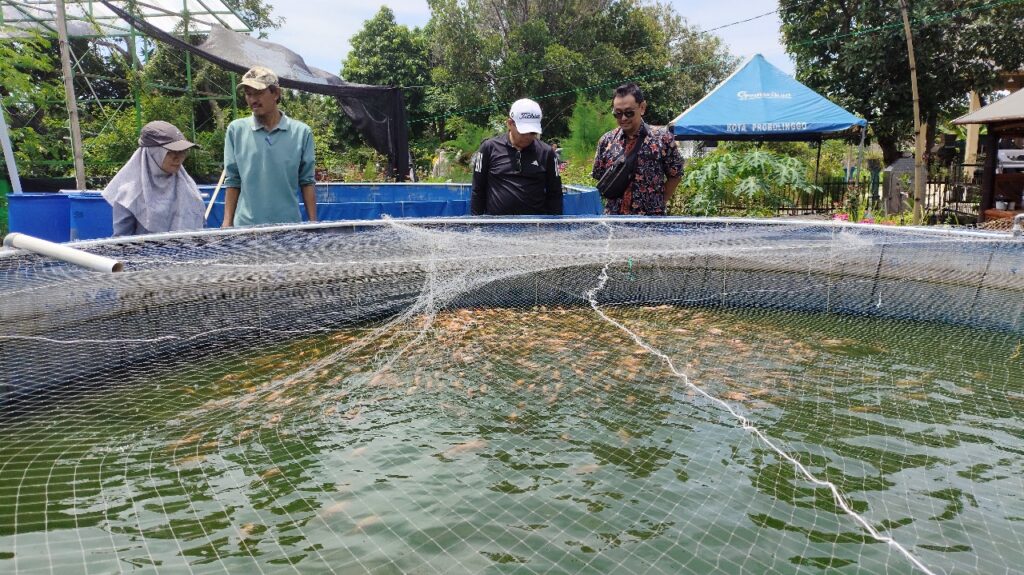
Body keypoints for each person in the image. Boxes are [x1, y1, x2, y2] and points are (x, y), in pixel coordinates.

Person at [222, 65, 317, 227]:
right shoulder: (236, 130)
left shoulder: (301, 133)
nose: (253, 100)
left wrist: (314, 224)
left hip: (289, 229)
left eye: (258, 93)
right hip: (245, 229)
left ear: (276, 93)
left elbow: (307, 181)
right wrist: (227, 223)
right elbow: (233, 180)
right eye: (248, 94)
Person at [592, 83, 683, 215]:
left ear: (642, 107)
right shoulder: (606, 141)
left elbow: (676, 175)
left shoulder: (662, 139)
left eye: (629, 113)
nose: (623, 118)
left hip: (650, 221)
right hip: (614, 221)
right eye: (618, 113)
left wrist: (659, 203)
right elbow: (599, 176)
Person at [102, 120, 205, 236]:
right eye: (171, 152)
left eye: (183, 152)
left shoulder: (188, 187)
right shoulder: (130, 196)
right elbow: (122, 242)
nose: (178, 158)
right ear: (152, 153)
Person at [471, 98, 562, 216]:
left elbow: (555, 193)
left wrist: (555, 224)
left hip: (535, 226)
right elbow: (478, 190)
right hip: (496, 225)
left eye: (532, 132)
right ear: (510, 123)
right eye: (523, 132)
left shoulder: (547, 153)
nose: (528, 137)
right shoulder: (488, 148)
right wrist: (476, 223)